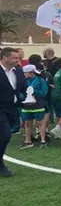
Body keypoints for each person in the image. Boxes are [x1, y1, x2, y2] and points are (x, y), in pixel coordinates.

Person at [1, 48, 25, 176]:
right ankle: (0, 165)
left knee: (5, 135)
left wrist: (25, 97)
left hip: (13, 108)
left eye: (18, 58)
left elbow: (23, 88)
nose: (18, 60)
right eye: (14, 58)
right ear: (4, 58)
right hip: (0, 108)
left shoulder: (19, 72)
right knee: (5, 134)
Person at [19, 65, 49, 149]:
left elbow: (44, 92)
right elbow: (19, 92)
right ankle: (28, 141)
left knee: (40, 123)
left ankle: (43, 141)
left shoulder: (40, 80)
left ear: (31, 73)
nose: (24, 74)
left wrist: (33, 91)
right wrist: (23, 96)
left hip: (38, 105)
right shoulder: (22, 81)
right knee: (27, 123)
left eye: (25, 73)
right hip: (26, 106)